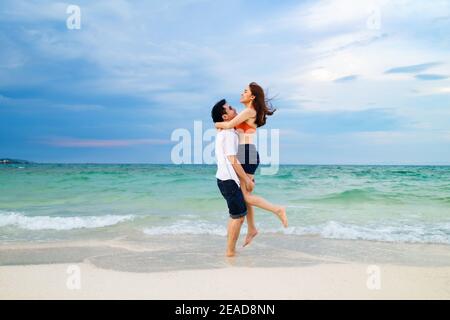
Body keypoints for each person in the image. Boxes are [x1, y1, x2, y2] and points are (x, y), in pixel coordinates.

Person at [215, 83, 287, 247]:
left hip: (246, 154)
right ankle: (252, 228)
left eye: (245, 91)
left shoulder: (249, 111)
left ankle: (277, 210)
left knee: (246, 197)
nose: (242, 93)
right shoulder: (246, 112)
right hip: (247, 153)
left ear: (252, 97)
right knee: (245, 196)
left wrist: (217, 124)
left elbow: (227, 125)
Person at [212, 99, 254, 257]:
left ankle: (230, 249)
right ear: (224, 117)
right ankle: (230, 252)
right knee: (238, 217)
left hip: (224, 179)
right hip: (228, 181)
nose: (233, 108)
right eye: (229, 108)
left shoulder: (226, 131)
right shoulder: (228, 134)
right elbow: (232, 159)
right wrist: (247, 179)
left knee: (236, 215)